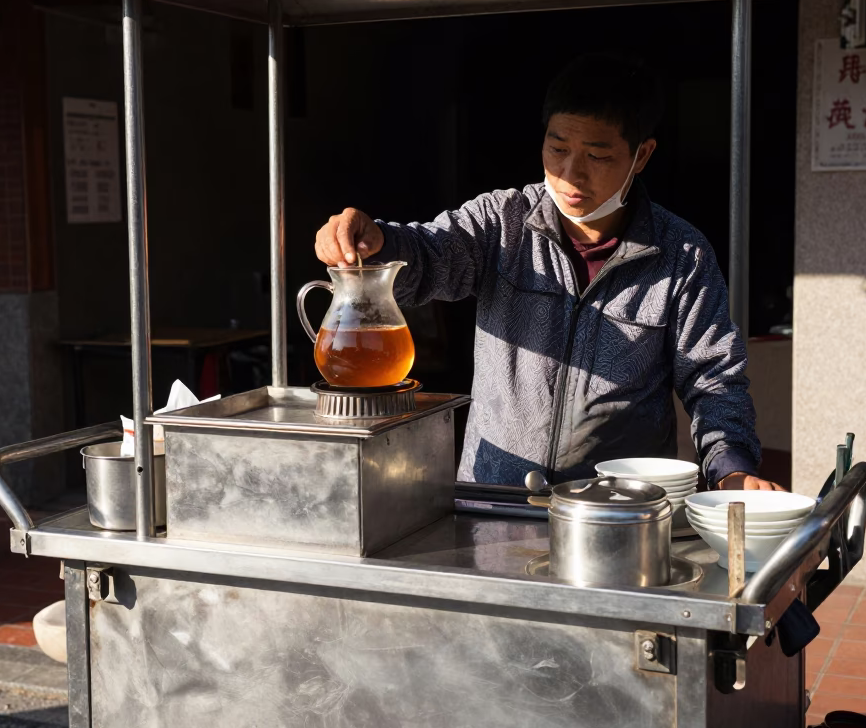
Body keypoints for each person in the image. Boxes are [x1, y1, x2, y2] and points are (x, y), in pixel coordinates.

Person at [314, 53, 783, 491]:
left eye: (597, 156)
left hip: (615, 510)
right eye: (557, 149)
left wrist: (732, 469)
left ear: (641, 155)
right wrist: (378, 240)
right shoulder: (502, 222)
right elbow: (429, 255)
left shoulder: (681, 255)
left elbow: (714, 381)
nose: (571, 174)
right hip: (494, 494)